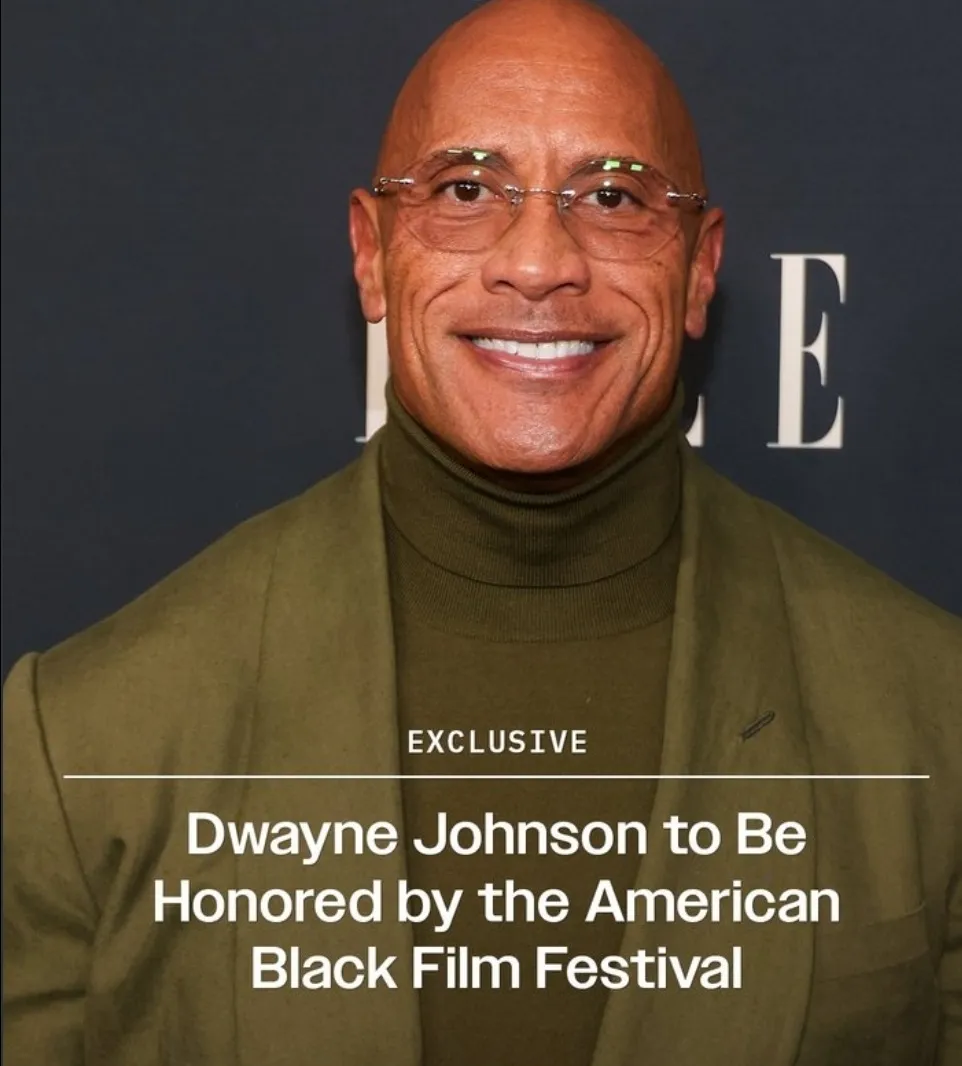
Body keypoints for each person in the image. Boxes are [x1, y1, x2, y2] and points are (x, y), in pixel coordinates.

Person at [4, 0, 960, 1063]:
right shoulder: (81, 741)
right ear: (371, 252)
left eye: (612, 197)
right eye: (465, 190)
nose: (538, 262)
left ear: (698, 268)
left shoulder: (933, 718)